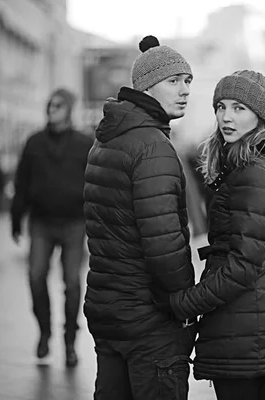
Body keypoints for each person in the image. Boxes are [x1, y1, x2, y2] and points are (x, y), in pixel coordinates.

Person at [169, 70, 265, 400]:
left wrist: (185, 303)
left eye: (239, 108)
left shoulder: (252, 173)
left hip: (248, 327)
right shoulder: (257, 159)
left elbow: (243, 264)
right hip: (261, 319)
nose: (226, 117)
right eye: (221, 107)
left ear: (260, 115)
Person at [83, 35, 196, 400]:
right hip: (148, 319)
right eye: (173, 81)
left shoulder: (107, 139)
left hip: (109, 309)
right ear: (148, 87)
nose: (184, 91)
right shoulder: (153, 147)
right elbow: (164, 243)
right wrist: (183, 300)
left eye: (188, 81)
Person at [10, 88, 92, 366]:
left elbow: (94, 183)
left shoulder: (84, 143)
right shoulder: (34, 142)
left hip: (73, 222)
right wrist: (15, 217)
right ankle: (44, 332)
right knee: (35, 276)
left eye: (58, 105)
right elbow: (21, 182)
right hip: (41, 221)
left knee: (71, 282)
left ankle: (70, 341)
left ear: (69, 109)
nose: (51, 109)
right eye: (49, 105)